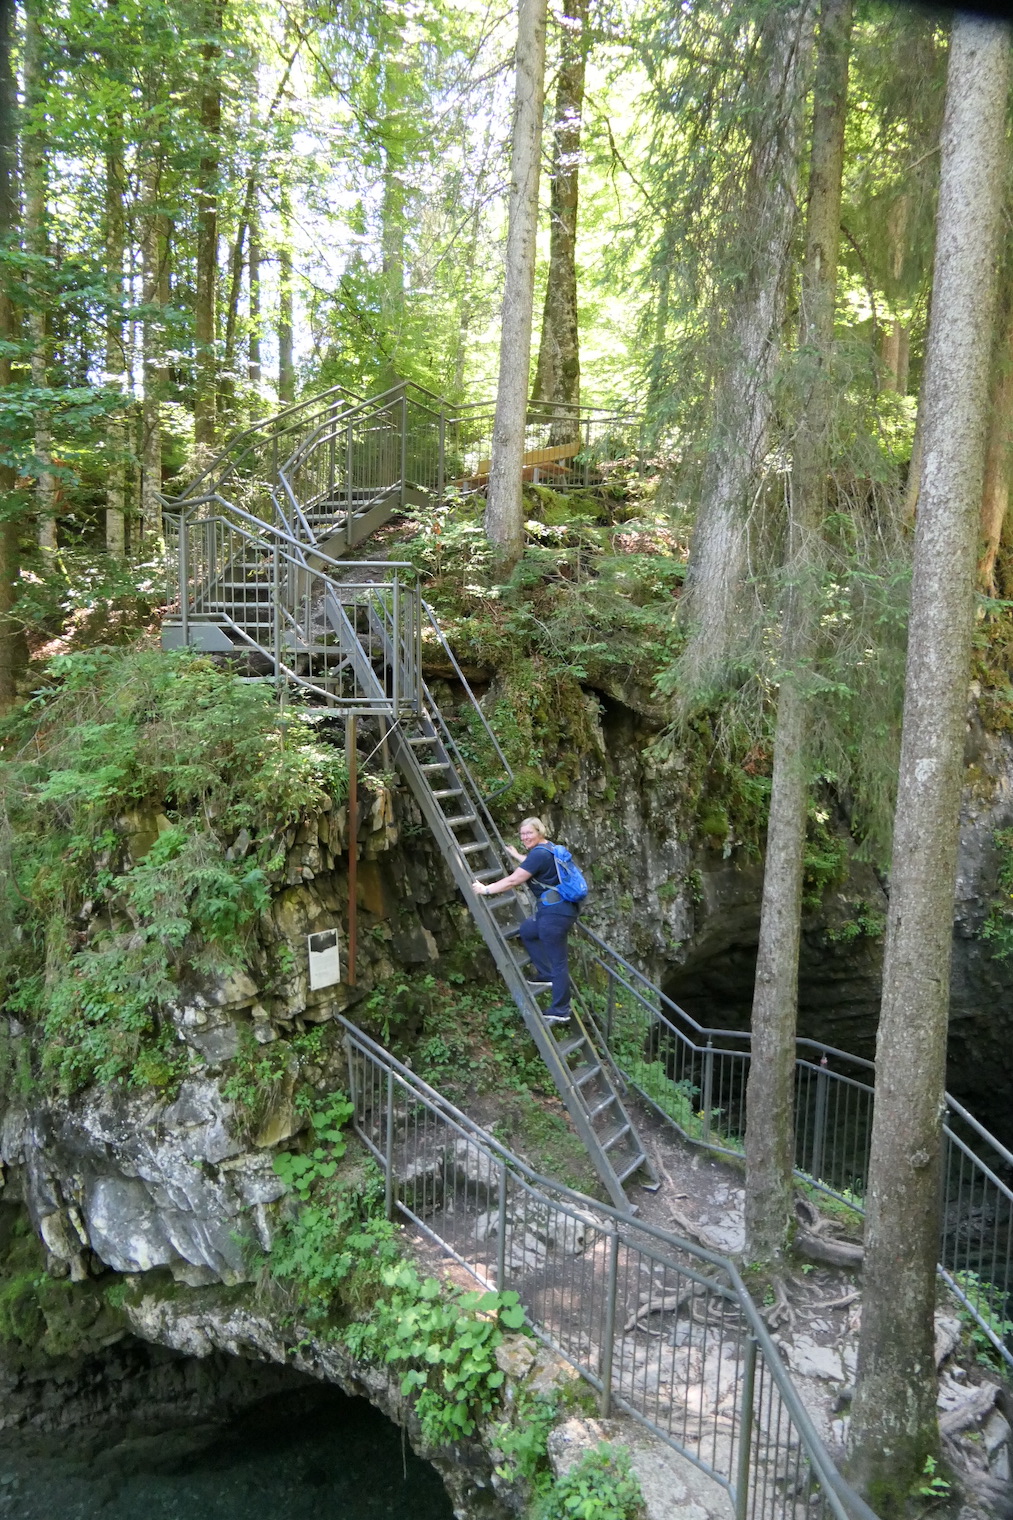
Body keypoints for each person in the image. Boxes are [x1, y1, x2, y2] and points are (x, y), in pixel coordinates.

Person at [471, 816, 577, 1025]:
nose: (525, 837)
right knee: (528, 930)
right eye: (522, 834)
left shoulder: (538, 854)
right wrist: (518, 856)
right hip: (561, 909)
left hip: (554, 915)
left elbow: (514, 880)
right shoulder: (549, 848)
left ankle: (561, 1009)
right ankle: (545, 974)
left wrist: (486, 889)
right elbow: (537, 866)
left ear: (540, 832)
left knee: (559, 963)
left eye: (529, 833)